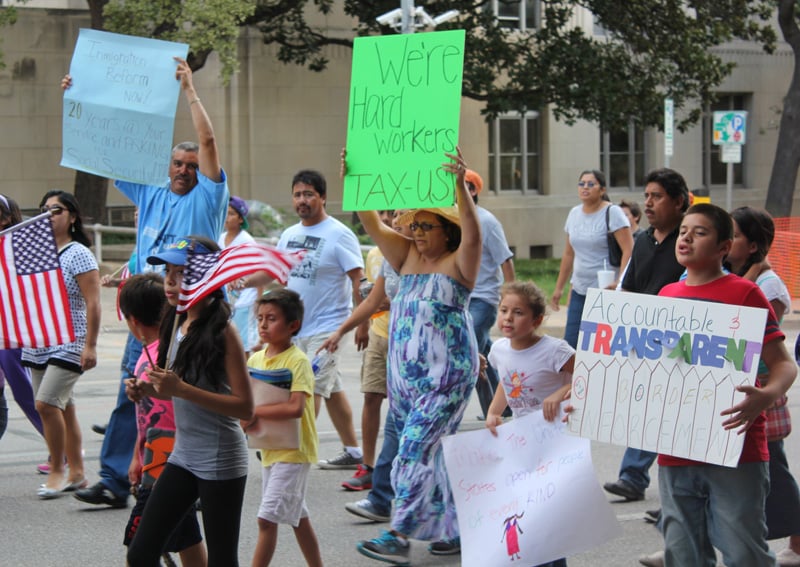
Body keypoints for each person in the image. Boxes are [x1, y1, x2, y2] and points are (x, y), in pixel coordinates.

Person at [66, 58, 230, 509]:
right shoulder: (151, 190)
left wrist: (189, 89)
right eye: (177, 163)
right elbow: (100, 150)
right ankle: (117, 478)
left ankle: (186, 479)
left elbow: (209, 139)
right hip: (147, 310)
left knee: (186, 396)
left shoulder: (210, 196)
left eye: (191, 164)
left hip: (191, 312)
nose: (183, 170)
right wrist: (75, 98)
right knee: (131, 387)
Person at [354, 148, 480, 565]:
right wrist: (356, 174)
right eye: (415, 225)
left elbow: (475, 234)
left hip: (447, 377)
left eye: (427, 225)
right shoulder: (406, 257)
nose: (418, 232)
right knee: (432, 453)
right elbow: (370, 221)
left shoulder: (458, 264)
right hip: (405, 381)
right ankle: (456, 529)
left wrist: (460, 185)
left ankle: (398, 534)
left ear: (447, 230)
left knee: (412, 449)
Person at [656, 203, 796, 567]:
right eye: (683, 230)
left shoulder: (745, 294)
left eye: (699, 232)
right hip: (675, 446)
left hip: (735, 445)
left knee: (743, 551)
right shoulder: (666, 295)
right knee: (683, 552)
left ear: (724, 247)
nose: (686, 237)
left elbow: (784, 364)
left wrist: (764, 397)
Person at [125, 236, 253, 567]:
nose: (170, 279)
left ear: (208, 277)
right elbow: (169, 388)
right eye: (168, 270)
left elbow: (244, 407)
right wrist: (144, 390)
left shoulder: (224, 331)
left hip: (221, 458)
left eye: (181, 272)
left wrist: (180, 389)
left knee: (222, 561)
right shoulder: (176, 320)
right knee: (141, 553)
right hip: (183, 456)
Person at [246, 169, 365, 469]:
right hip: (296, 328)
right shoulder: (290, 235)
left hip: (329, 328)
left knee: (308, 388)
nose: (302, 200)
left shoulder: (339, 234)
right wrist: (241, 281)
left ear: (323, 197)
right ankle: (353, 451)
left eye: (309, 194)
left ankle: (287, 449)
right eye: (298, 194)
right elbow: (276, 273)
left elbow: (358, 281)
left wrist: (361, 324)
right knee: (332, 389)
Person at [604, 169, 690, 504]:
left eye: (657, 196)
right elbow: (632, 287)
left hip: (683, 341)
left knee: (671, 413)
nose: (649, 203)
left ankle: (658, 487)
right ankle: (637, 478)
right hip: (647, 340)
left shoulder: (689, 240)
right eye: (647, 195)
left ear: (679, 201)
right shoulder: (642, 241)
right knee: (651, 410)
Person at [728, 206, 800, 566]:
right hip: (734, 386)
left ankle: (797, 541)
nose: (728, 242)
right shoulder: (735, 275)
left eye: (735, 235)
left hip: (760, 387)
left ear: (753, 245)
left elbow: (760, 334)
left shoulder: (768, 286)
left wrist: (752, 278)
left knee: (775, 470)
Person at [119, 274, 206, 566]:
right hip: (155, 459)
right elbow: (145, 418)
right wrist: (136, 456)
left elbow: (174, 415)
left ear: (132, 320)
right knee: (187, 538)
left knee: (138, 549)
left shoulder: (166, 358)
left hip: (167, 464)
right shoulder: (153, 355)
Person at [485, 281, 574, 567]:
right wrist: (494, 412)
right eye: (504, 310)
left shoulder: (554, 350)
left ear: (536, 320)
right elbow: (505, 382)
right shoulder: (499, 350)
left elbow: (589, 375)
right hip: (522, 443)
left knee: (544, 513)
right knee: (527, 511)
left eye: (518, 312)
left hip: (554, 442)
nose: (508, 318)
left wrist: (559, 394)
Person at [319, 210, 406, 492]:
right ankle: (369, 468)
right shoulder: (379, 257)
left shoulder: (420, 256)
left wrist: (390, 305)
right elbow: (370, 299)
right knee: (371, 396)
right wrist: (348, 329)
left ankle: (398, 476)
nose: (393, 220)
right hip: (380, 335)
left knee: (400, 413)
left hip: (409, 342)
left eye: (398, 214)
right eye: (388, 215)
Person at [22, 190, 100, 498]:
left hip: (71, 339)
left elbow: (93, 303)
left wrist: (90, 345)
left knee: (46, 403)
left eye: (56, 210)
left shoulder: (78, 253)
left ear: (72, 217)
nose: (48, 215)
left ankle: (57, 470)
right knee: (63, 407)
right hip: (40, 339)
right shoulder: (36, 252)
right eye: (44, 210)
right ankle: (77, 472)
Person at [244, 289, 323, 567]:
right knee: (297, 517)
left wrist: (253, 413)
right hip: (270, 447)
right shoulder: (255, 360)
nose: (263, 325)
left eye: (272, 319)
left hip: (295, 449)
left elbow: (295, 407)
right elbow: (248, 400)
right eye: (260, 318)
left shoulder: (297, 360)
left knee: (266, 519)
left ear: (293, 325)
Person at [550, 169, 633, 348]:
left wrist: (620, 281)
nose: (585, 188)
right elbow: (568, 254)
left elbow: (628, 249)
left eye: (591, 184)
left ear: (602, 190)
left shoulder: (613, 212)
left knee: (601, 346)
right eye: (581, 184)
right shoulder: (574, 213)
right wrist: (559, 288)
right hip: (580, 289)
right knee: (571, 343)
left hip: (605, 291)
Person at [463, 169, 516, 420]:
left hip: (484, 297)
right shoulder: (453, 219)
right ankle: (503, 404)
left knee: (470, 348)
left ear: (472, 190)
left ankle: (490, 410)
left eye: (460, 186)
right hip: (461, 298)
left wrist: (512, 299)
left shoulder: (487, 221)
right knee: (485, 351)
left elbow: (505, 260)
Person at [0, 194, 45, 440]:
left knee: (24, 392)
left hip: (10, 330)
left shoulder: (16, 248)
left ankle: (64, 452)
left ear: (6, 219)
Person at [218, 196, 261, 356]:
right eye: (225, 213)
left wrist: (258, 300)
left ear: (241, 219)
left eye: (231, 214)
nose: (226, 218)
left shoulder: (247, 242)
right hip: (226, 299)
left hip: (245, 299)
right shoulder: (220, 239)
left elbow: (259, 271)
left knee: (244, 344)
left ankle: (247, 377)